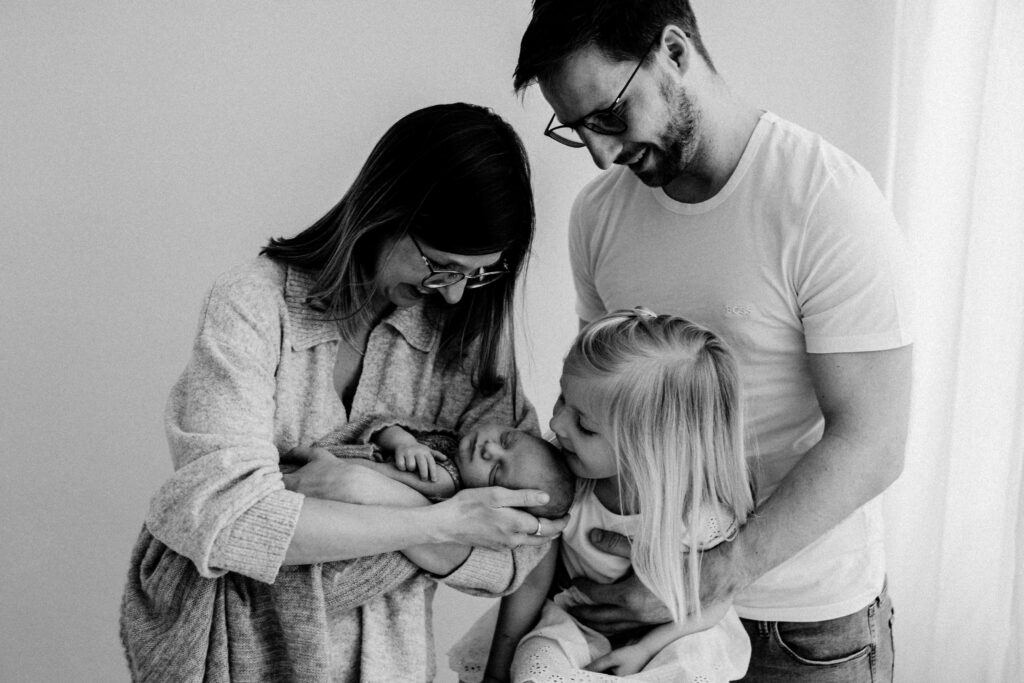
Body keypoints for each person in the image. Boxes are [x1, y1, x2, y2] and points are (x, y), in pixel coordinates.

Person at [513, 2, 912, 681]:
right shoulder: (598, 215)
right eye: (577, 130)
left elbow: (873, 443)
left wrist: (705, 577)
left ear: (673, 52)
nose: (602, 153)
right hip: (633, 616)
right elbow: (599, 411)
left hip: (802, 629)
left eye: (609, 115)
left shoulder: (825, 199)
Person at [119, 102, 568, 683]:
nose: (455, 295)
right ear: (386, 210)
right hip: (235, 657)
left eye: (476, 274)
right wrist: (442, 523)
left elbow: (518, 550)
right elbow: (229, 521)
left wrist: (368, 491)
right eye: (442, 265)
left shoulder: (466, 340)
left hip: (387, 662)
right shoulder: (252, 306)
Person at [448, 309, 754, 682]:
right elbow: (533, 578)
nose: (556, 423)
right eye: (562, 399)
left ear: (653, 447)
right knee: (537, 665)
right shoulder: (565, 483)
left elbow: (715, 599)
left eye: (585, 426)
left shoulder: (697, 515)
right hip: (576, 626)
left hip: (670, 637)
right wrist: (497, 670)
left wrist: (645, 649)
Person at [287, 419, 575, 518]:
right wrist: (404, 442)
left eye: (495, 471)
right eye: (506, 439)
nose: (490, 449)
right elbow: (385, 426)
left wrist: (325, 464)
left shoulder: (443, 481)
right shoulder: (453, 443)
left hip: (320, 473)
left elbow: (371, 476)